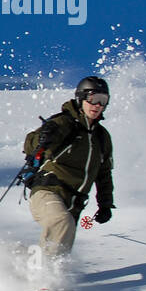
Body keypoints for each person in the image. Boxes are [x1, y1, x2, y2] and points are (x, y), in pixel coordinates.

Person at [21, 75, 115, 263]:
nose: (97, 105)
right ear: (81, 98)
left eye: (103, 101)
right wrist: (42, 138)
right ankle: (43, 278)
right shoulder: (64, 123)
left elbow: (103, 174)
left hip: (74, 203)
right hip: (48, 190)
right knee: (61, 222)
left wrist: (105, 204)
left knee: (62, 241)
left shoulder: (102, 137)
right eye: (93, 98)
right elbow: (30, 144)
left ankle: (34, 270)